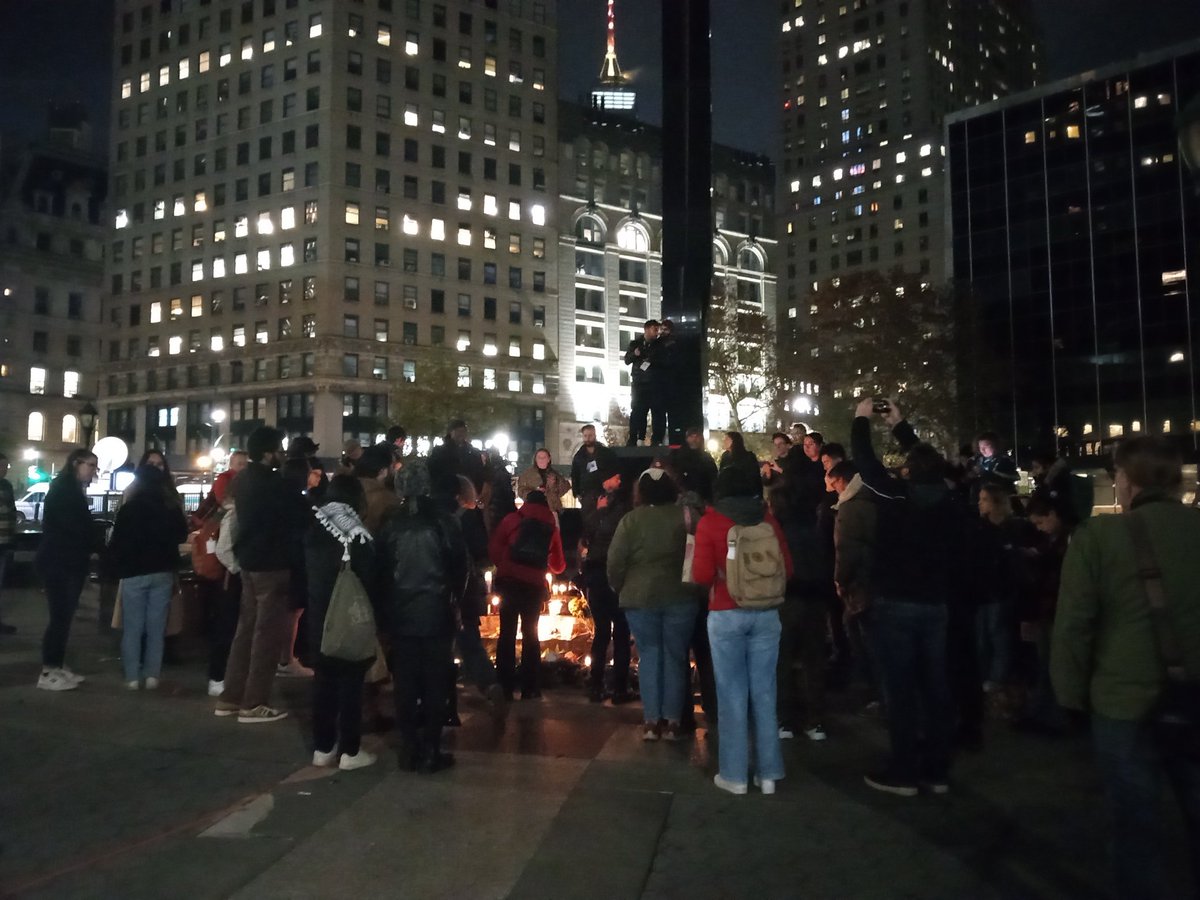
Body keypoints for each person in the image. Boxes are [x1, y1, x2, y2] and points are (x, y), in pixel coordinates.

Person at [1052, 436, 1200, 900]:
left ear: (1127, 479)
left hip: (1122, 703)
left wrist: (1070, 697)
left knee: (1137, 829)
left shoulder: (1100, 538)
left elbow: (1075, 626)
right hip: (1195, 699)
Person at [849, 397, 968, 796]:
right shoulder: (951, 501)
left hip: (896, 601)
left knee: (899, 689)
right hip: (936, 604)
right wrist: (900, 426)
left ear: (908, 471)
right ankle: (935, 769)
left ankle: (902, 769)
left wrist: (862, 421)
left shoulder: (897, 496)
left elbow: (865, 463)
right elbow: (932, 463)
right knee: (935, 686)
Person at [692, 465, 794, 795]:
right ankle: (769, 775)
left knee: (732, 694)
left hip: (726, 614)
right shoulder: (767, 520)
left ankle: (734, 776)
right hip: (766, 615)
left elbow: (701, 575)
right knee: (765, 692)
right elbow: (787, 569)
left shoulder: (710, 522)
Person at [215, 426, 308, 724]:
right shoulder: (275, 483)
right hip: (272, 564)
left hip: (249, 563)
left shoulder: (242, 480)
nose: (282, 454)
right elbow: (300, 516)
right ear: (269, 453)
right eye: (278, 449)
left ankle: (231, 696)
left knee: (245, 631)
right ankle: (254, 703)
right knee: (266, 635)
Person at [376, 474, 469, 772]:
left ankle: (409, 748)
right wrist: (454, 600)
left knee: (405, 683)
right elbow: (460, 567)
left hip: (401, 613)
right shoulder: (443, 521)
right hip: (436, 611)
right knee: (434, 682)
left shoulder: (392, 522)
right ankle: (431, 747)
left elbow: (380, 568)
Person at [607, 470, 695, 740]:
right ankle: (672, 721)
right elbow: (695, 554)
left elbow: (615, 561)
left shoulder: (631, 520)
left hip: (640, 597)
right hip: (680, 596)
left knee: (649, 656)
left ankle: (651, 721)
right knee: (675, 657)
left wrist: (620, 586)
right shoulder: (686, 516)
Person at [305, 475, 381, 771]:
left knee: (323, 682)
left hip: (318, 618)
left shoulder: (314, 526)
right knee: (351, 682)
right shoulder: (357, 534)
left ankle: (323, 748)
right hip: (348, 620)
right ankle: (350, 751)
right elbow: (371, 579)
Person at [107, 460, 188, 690]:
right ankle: (153, 674)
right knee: (156, 626)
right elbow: (182, 535)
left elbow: (118, 541)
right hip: (162, 571)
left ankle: (132, 676)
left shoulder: (130, 508)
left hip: (134, 571)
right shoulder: (169, 507)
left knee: (133, 627)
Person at [489, 489, 566, 699]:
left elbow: (494, 549)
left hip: (509, 583)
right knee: (531, 634)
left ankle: (505, 686)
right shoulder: (550, 527)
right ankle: (530, 687)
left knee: (507, 633)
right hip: (533, 586)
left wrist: (506, 565)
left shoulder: (512, 519)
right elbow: (559, 566)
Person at [770, 482, 831, 742]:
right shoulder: (816, 527)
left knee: (781, 661)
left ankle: (784, 720)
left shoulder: (777, 530)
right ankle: (814, 721)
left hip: (787, 599)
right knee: (813, 661)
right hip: (816, 599)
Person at [35, 449, 99, 690]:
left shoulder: (69, 489)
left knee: (63, 616)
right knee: (60, 616)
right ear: (76, 463)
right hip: (61, 562)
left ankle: (57, 665)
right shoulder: (65, 490)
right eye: (90, 465)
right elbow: (72, 527)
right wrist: (93, 543)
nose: (93, 471)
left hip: (66, 561)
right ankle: (49, 670)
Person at [450, 476, 506, 717]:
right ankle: (489, 682)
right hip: (466, 588)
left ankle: (442, 696)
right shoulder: (470, 519)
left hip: (440, 590)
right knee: (469, 638)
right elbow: (483, 554)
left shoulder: (439, 518)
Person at [580, 473, 633, 703]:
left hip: (596, 571)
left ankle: (596, 684)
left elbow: (586, 536)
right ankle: (620, 687)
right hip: (616, 574)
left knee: (602, 631)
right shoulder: (626, 512)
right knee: (620, 631)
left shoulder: (598, 510)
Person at [277, 457, 316, 678]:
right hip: (295, 560)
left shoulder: (275, 496)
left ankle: (282, 657)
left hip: (276, 560)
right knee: (292, 612)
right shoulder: (301, 503)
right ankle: (286, 658)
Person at [625, 319, 663, 445]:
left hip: (654, 383)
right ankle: (634, 438)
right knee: (637, 410)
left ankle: (656, 439)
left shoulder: (659, 345)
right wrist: (635, 354)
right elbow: (627, 360)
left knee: (656, 411)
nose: (657, 333)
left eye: (658, 330)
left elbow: (662, 360)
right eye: (654, 329)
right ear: (647, 329)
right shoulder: (635, 343)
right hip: (639, 383)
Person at [429, 419, 486, 496]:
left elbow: (479, 474)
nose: (460, 434)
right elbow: (434, 473)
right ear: (451, 432)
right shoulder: (440, 452)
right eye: (458, 431)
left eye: (463, 431)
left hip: (467, 495)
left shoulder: (473, 453)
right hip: (446, 495)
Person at [570, 424, 618, 513]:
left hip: (604, 493)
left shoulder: (606, 454)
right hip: (586, 495)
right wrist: (577, 493)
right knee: (589, 521)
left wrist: (611, 489)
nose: (588, 438)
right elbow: (575, 475)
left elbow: (614, 470)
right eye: (585, 436)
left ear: (595, 435)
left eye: (590, 435)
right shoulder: (578, 457)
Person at [355, 444, 401, 535]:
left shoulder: (346, 489)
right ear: (383, 471)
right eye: (393, 466)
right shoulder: (388, 500)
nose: (395, 470)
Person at [668, 427, 719, 505]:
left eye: (697, 436)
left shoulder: (706, 457)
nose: (694, 439)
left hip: (703, 497)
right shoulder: (678, 455)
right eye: (691, 436)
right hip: (683, 495)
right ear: (687, 438)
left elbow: (713, 476)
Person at [517, 448, 572, 515]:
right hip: (533, 508)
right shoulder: (527, 474)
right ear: (535, 459)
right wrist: (534, 492)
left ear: (548, 459)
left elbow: (565, 487)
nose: (541, 459)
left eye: (544, 457)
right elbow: (520, 490)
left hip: (552, 508)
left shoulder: (555, 474)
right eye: (539, 457)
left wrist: (553, 486)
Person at [0, 453, 17, 634]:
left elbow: (11, 512)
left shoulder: (7, 485)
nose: (4, 470)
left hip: (4, 542)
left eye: (6, 466)